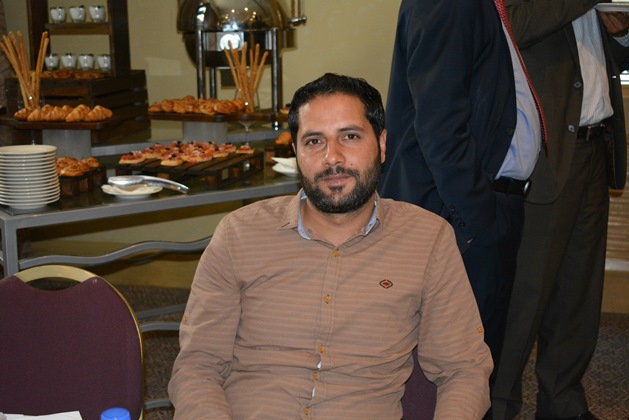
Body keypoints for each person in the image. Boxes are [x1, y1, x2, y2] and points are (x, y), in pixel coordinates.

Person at [168, 73, 493, 419]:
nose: (332, 158)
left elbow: (463, 370)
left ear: (382, 144)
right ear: (296, 152)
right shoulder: (239, 234)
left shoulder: (427, 239)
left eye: (350, 136)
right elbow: (197, 366)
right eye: (314, 141)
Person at [378, 0, 544, 397]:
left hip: (481, 207)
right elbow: (439, 123)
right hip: (460, 213)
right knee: (456, 373)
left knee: (473, 364)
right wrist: (477, 217)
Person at [491, 3, 629, 420]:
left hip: (594, 145)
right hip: (547, 154)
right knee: (526, 295)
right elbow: (513, 25)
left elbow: (601, 63)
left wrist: (620, 34)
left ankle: (562, 402)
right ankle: (496, 406)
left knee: (578, 293)